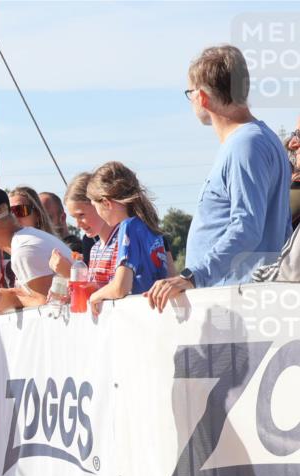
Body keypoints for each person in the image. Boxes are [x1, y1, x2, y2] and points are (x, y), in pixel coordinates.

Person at [145, 45, 291, 312]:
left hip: (237, 302)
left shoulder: (244, 145)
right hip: (244, 298)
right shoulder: (259, 140)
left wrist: (192, 275)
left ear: (201, 97)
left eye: (189, 93)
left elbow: (247, 228)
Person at [0, 184, 72, 315]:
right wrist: (8, 294)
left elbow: (47, 305)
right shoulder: (25, 241)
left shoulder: (24, 250)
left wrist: (13, 300)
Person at [83, 162, 170, 315]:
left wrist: (94, 296)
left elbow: (120, 287)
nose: (97, 213)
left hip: (143, 314)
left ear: (106, 203)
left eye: (94, 206)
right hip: (160, 312)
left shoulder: (128, 227)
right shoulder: (150, 225)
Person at [49, 172, 116, 284]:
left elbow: (117, 289)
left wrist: (69, 273)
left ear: (98, 204)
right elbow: (92, 288)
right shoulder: (95, 248)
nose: (77, 224)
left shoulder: (123, 242)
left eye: (81, 215)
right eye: (74, 217)